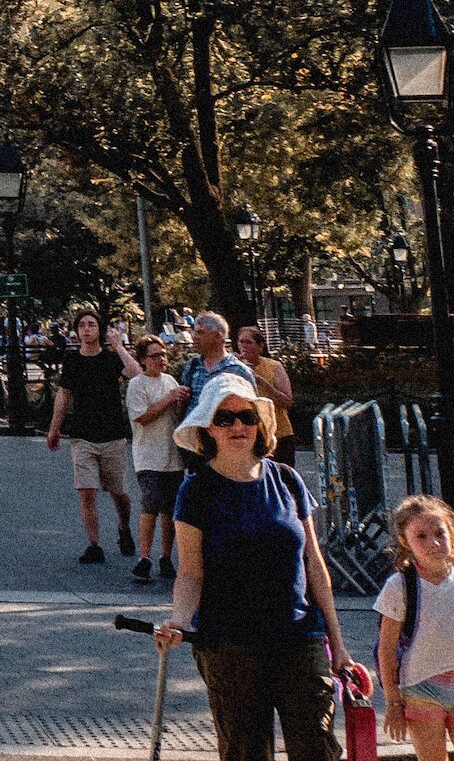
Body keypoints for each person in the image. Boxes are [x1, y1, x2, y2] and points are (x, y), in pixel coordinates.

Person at [158, 372, 367, 761]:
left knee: (317, 749)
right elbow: (190, 572)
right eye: (225, 418)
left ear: (259, 424)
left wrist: (338, 645)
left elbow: (314, 563)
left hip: (300, 636)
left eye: (246, 416)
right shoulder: (196, 490)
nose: (237, 425)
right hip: (230, 645)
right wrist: (180, 620)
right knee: (245, 752)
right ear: (208, 428)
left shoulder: (286, 479)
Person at [47, 307, 139, 565]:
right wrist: (55, 428)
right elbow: (64, 395)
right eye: (82, 325)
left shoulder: (111, 359)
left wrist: (119, 346)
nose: (87, 328)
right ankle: (94, 544)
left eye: (91, 324)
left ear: (99, 329)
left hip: (112, 433)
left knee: (118, 491)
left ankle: (123, 527)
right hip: (82, 434)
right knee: (87, 491)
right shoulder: (72, 361)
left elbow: (135, 374)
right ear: (77, 332)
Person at [378, 494, 454, 761]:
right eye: (420, 536)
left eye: (439, 533)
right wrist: (393, 702)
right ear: (405, 541)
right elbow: (387, 649)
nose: (433, 543)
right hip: (421, 688)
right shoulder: (399, 587)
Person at [128, 335, 188, 583]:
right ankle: (144, 557)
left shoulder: (171, 381)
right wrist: (169, 399)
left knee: (170, 508)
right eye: (155, 355)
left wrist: (181, 400)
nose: (161, 359)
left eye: (163, 354)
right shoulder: (137, 385)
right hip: (148, 455)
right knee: (150, 502)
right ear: (143, 360)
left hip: (172, 455)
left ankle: (165, 556)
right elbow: (142, 416)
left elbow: (178, 416)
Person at [238, 325, 298, 469]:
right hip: (250, 435)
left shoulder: (274, 367)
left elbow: (287, 401)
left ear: (260, 347)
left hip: (279, 433)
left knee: (283, 481)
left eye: (248, 342)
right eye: (241, 342)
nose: (243, 346)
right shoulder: (234, 367)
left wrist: (263, 383)